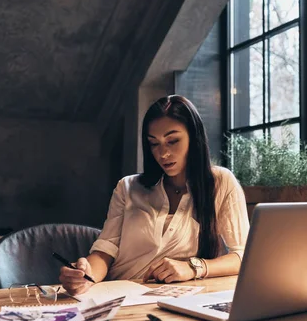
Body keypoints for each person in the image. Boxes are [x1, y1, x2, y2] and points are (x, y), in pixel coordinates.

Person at [60, 95, 249, 295]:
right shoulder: (127, 187)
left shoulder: (220, 183)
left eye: (172, 141)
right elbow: (105, 251)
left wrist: (194, 267)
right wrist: (85, 274)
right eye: (154, 144)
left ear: (194, 138)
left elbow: (243, 255)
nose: (163, 153)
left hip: (177, 298)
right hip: (118, 295)